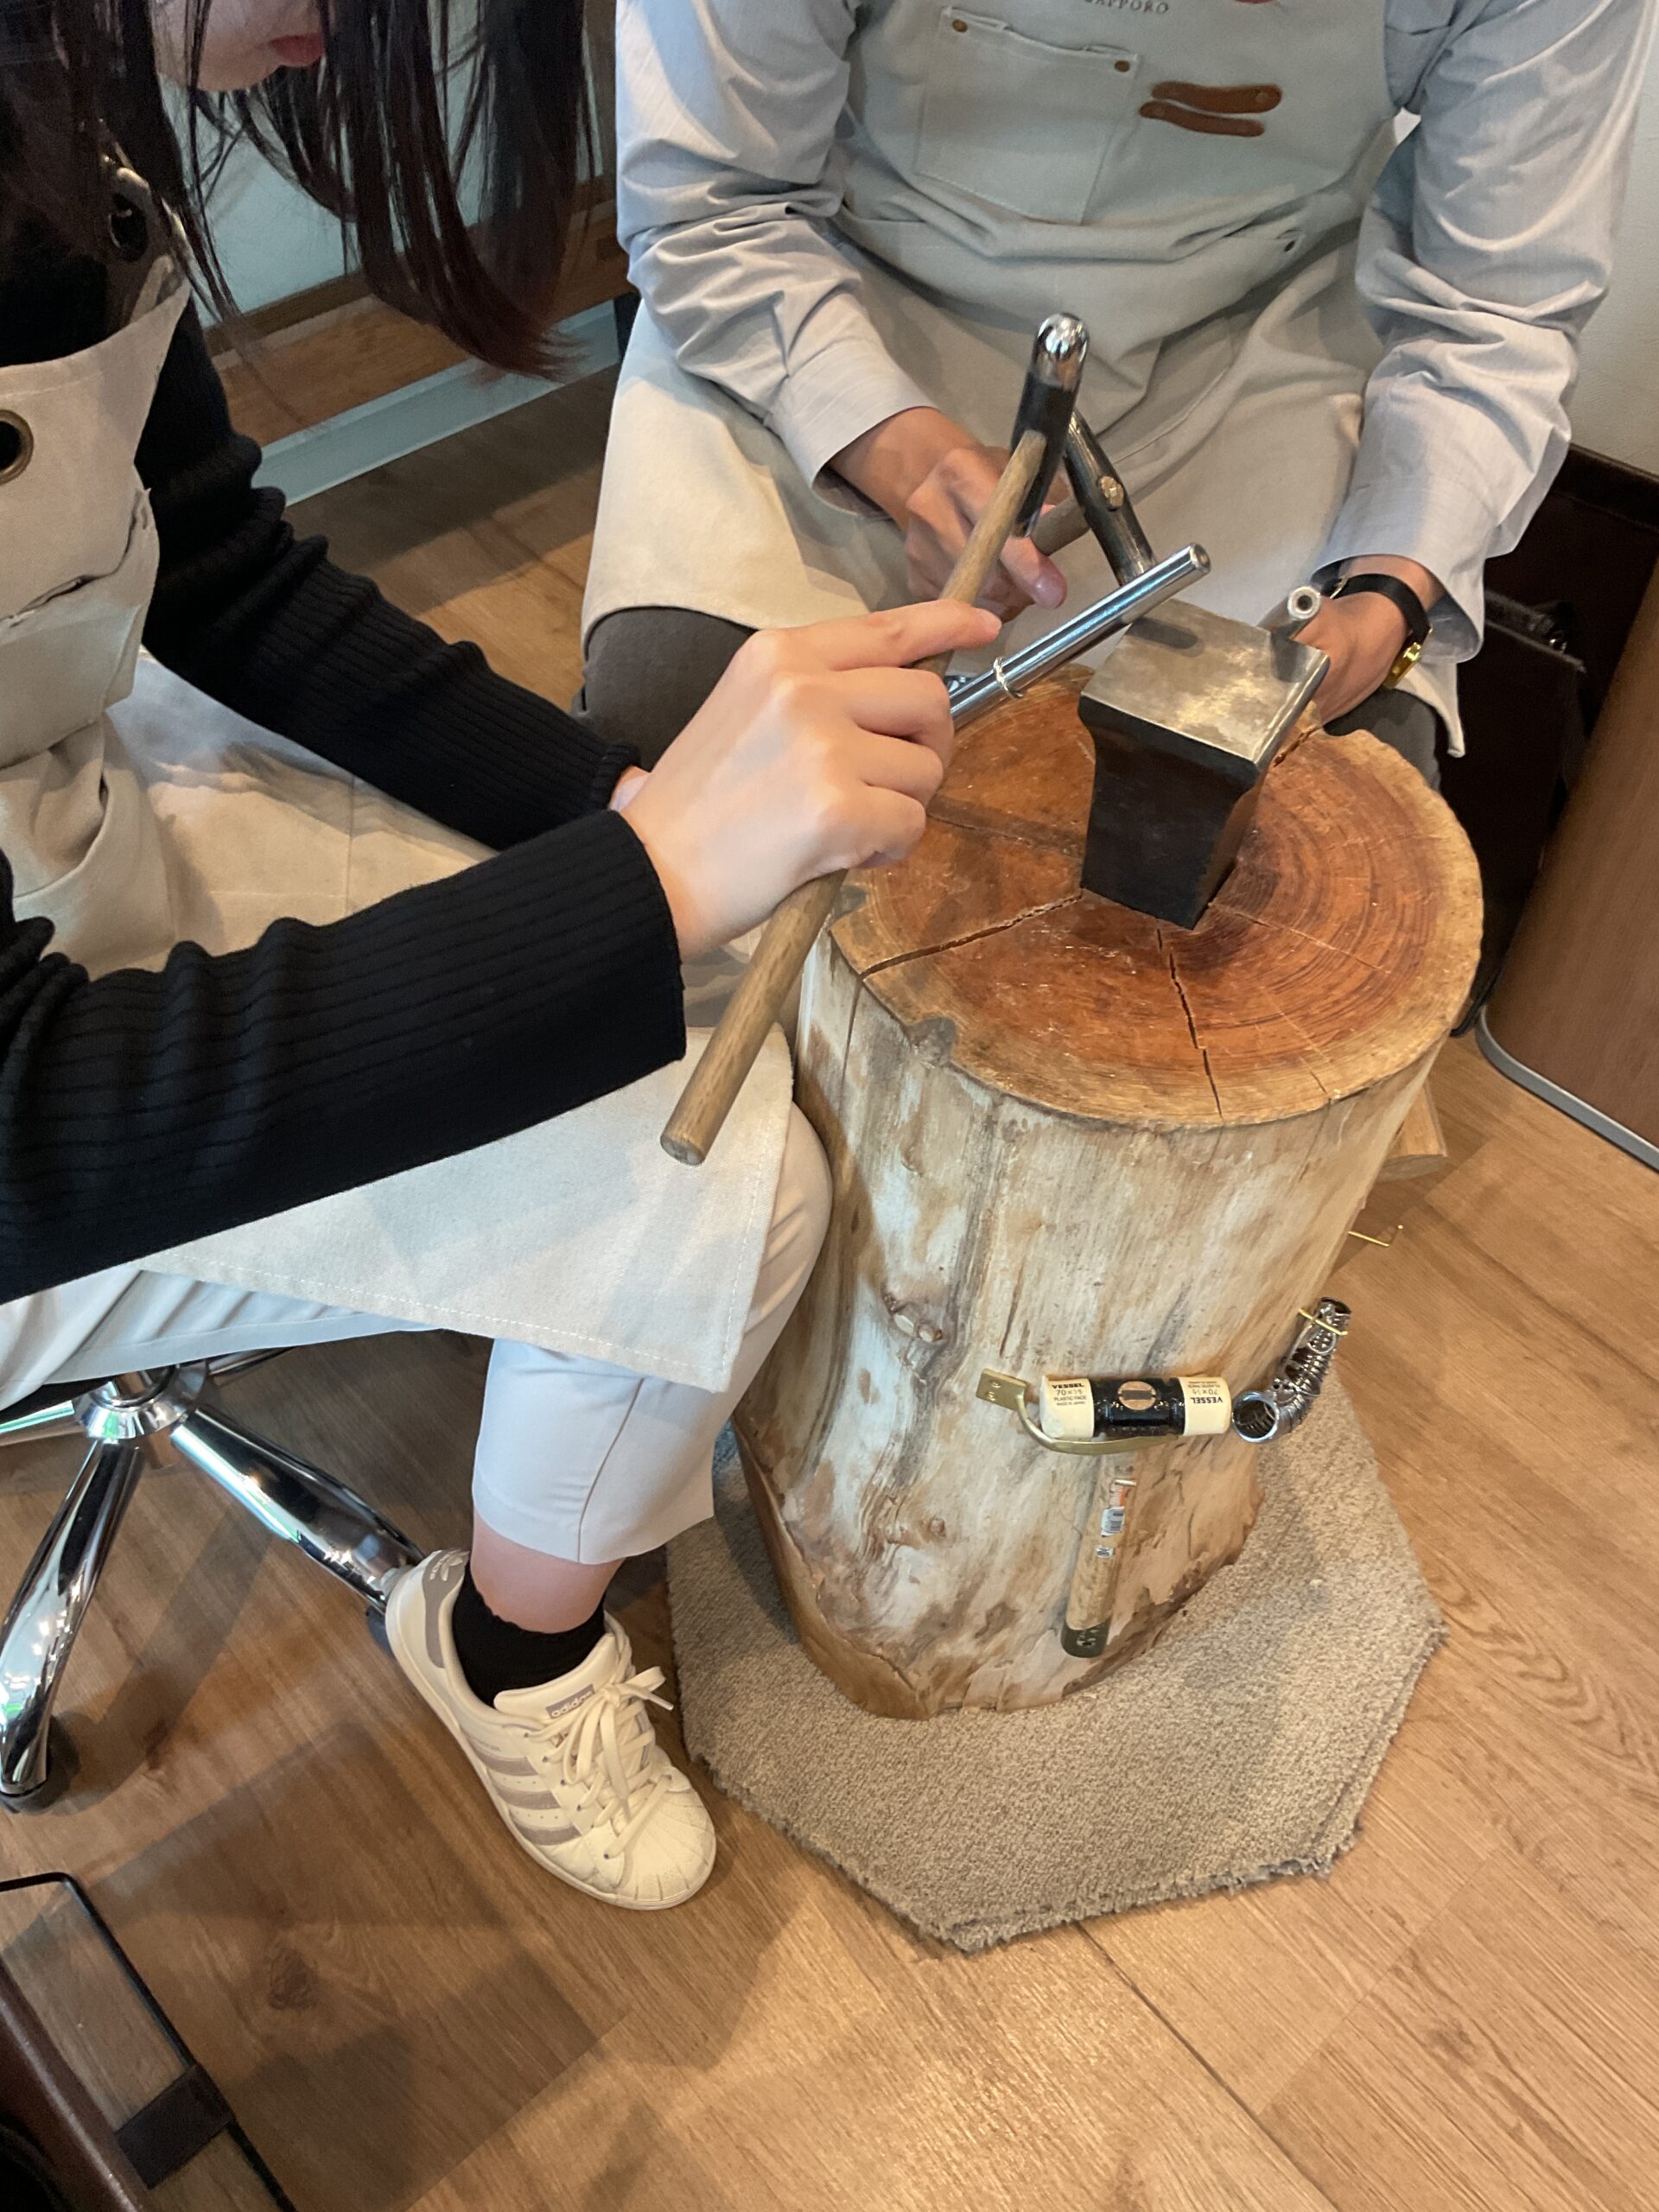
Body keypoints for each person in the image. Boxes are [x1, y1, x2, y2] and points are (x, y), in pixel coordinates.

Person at [0, 0, 999, 1908]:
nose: (347, 46)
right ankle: (509, 1652)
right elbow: (22, 1128)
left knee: (671, 986)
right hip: (34, 1121)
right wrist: (652, 876)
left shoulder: (54, 102)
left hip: (66, 795)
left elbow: (216, 564)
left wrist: (620, 801)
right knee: (733, 1180)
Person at [582, 0, 1653, 785]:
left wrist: (1391, 595)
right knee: (679, 710)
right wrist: (895, 451)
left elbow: (1495, 308)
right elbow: (716, 203)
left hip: (1247, 335)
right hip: (839, 291)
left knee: (1342, 799)